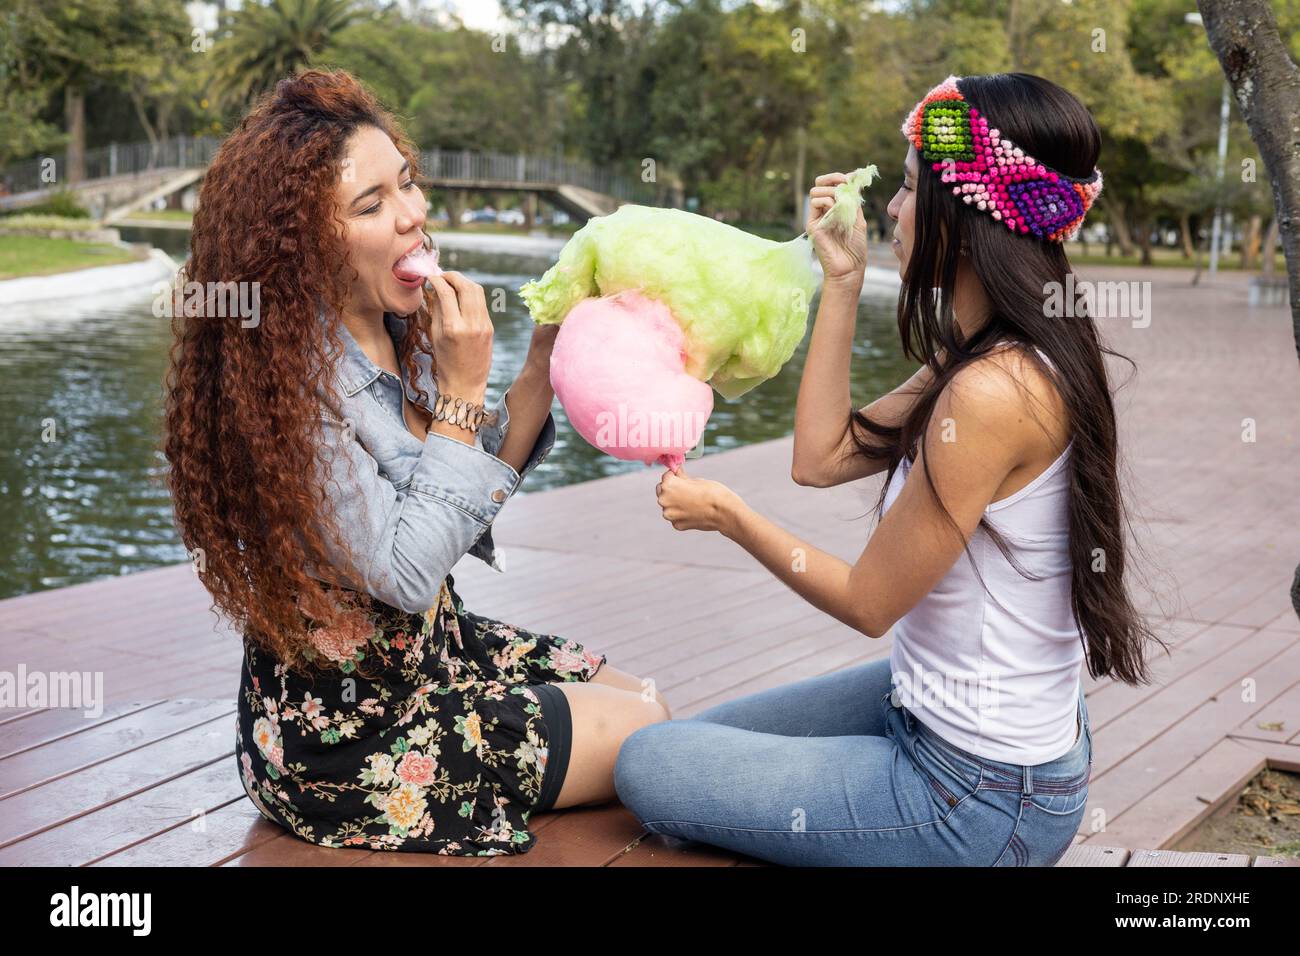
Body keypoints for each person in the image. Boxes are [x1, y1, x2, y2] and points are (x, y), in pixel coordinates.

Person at [617, 72, 1165, 866]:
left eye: (910, 189)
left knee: (648, 765)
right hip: (934, 714)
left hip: (977, 795)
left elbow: (870, 602)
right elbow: (821, 457)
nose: (895, 210)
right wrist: (841, 280)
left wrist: (730, 515)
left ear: (970, 214)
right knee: (689, 740)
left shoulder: (994, 390)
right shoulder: (987, 352)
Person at [162, 69, 669, 856]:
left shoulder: (398, 326)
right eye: (372, 206)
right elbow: (404, 572)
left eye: (406, 184)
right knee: (648, 731)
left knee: (639, 699)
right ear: (303, 241)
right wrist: (464, 393)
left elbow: (460, 504)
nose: (413, 218)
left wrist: (538, 362)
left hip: (433, 650)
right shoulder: (289, 388)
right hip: (349, 735)